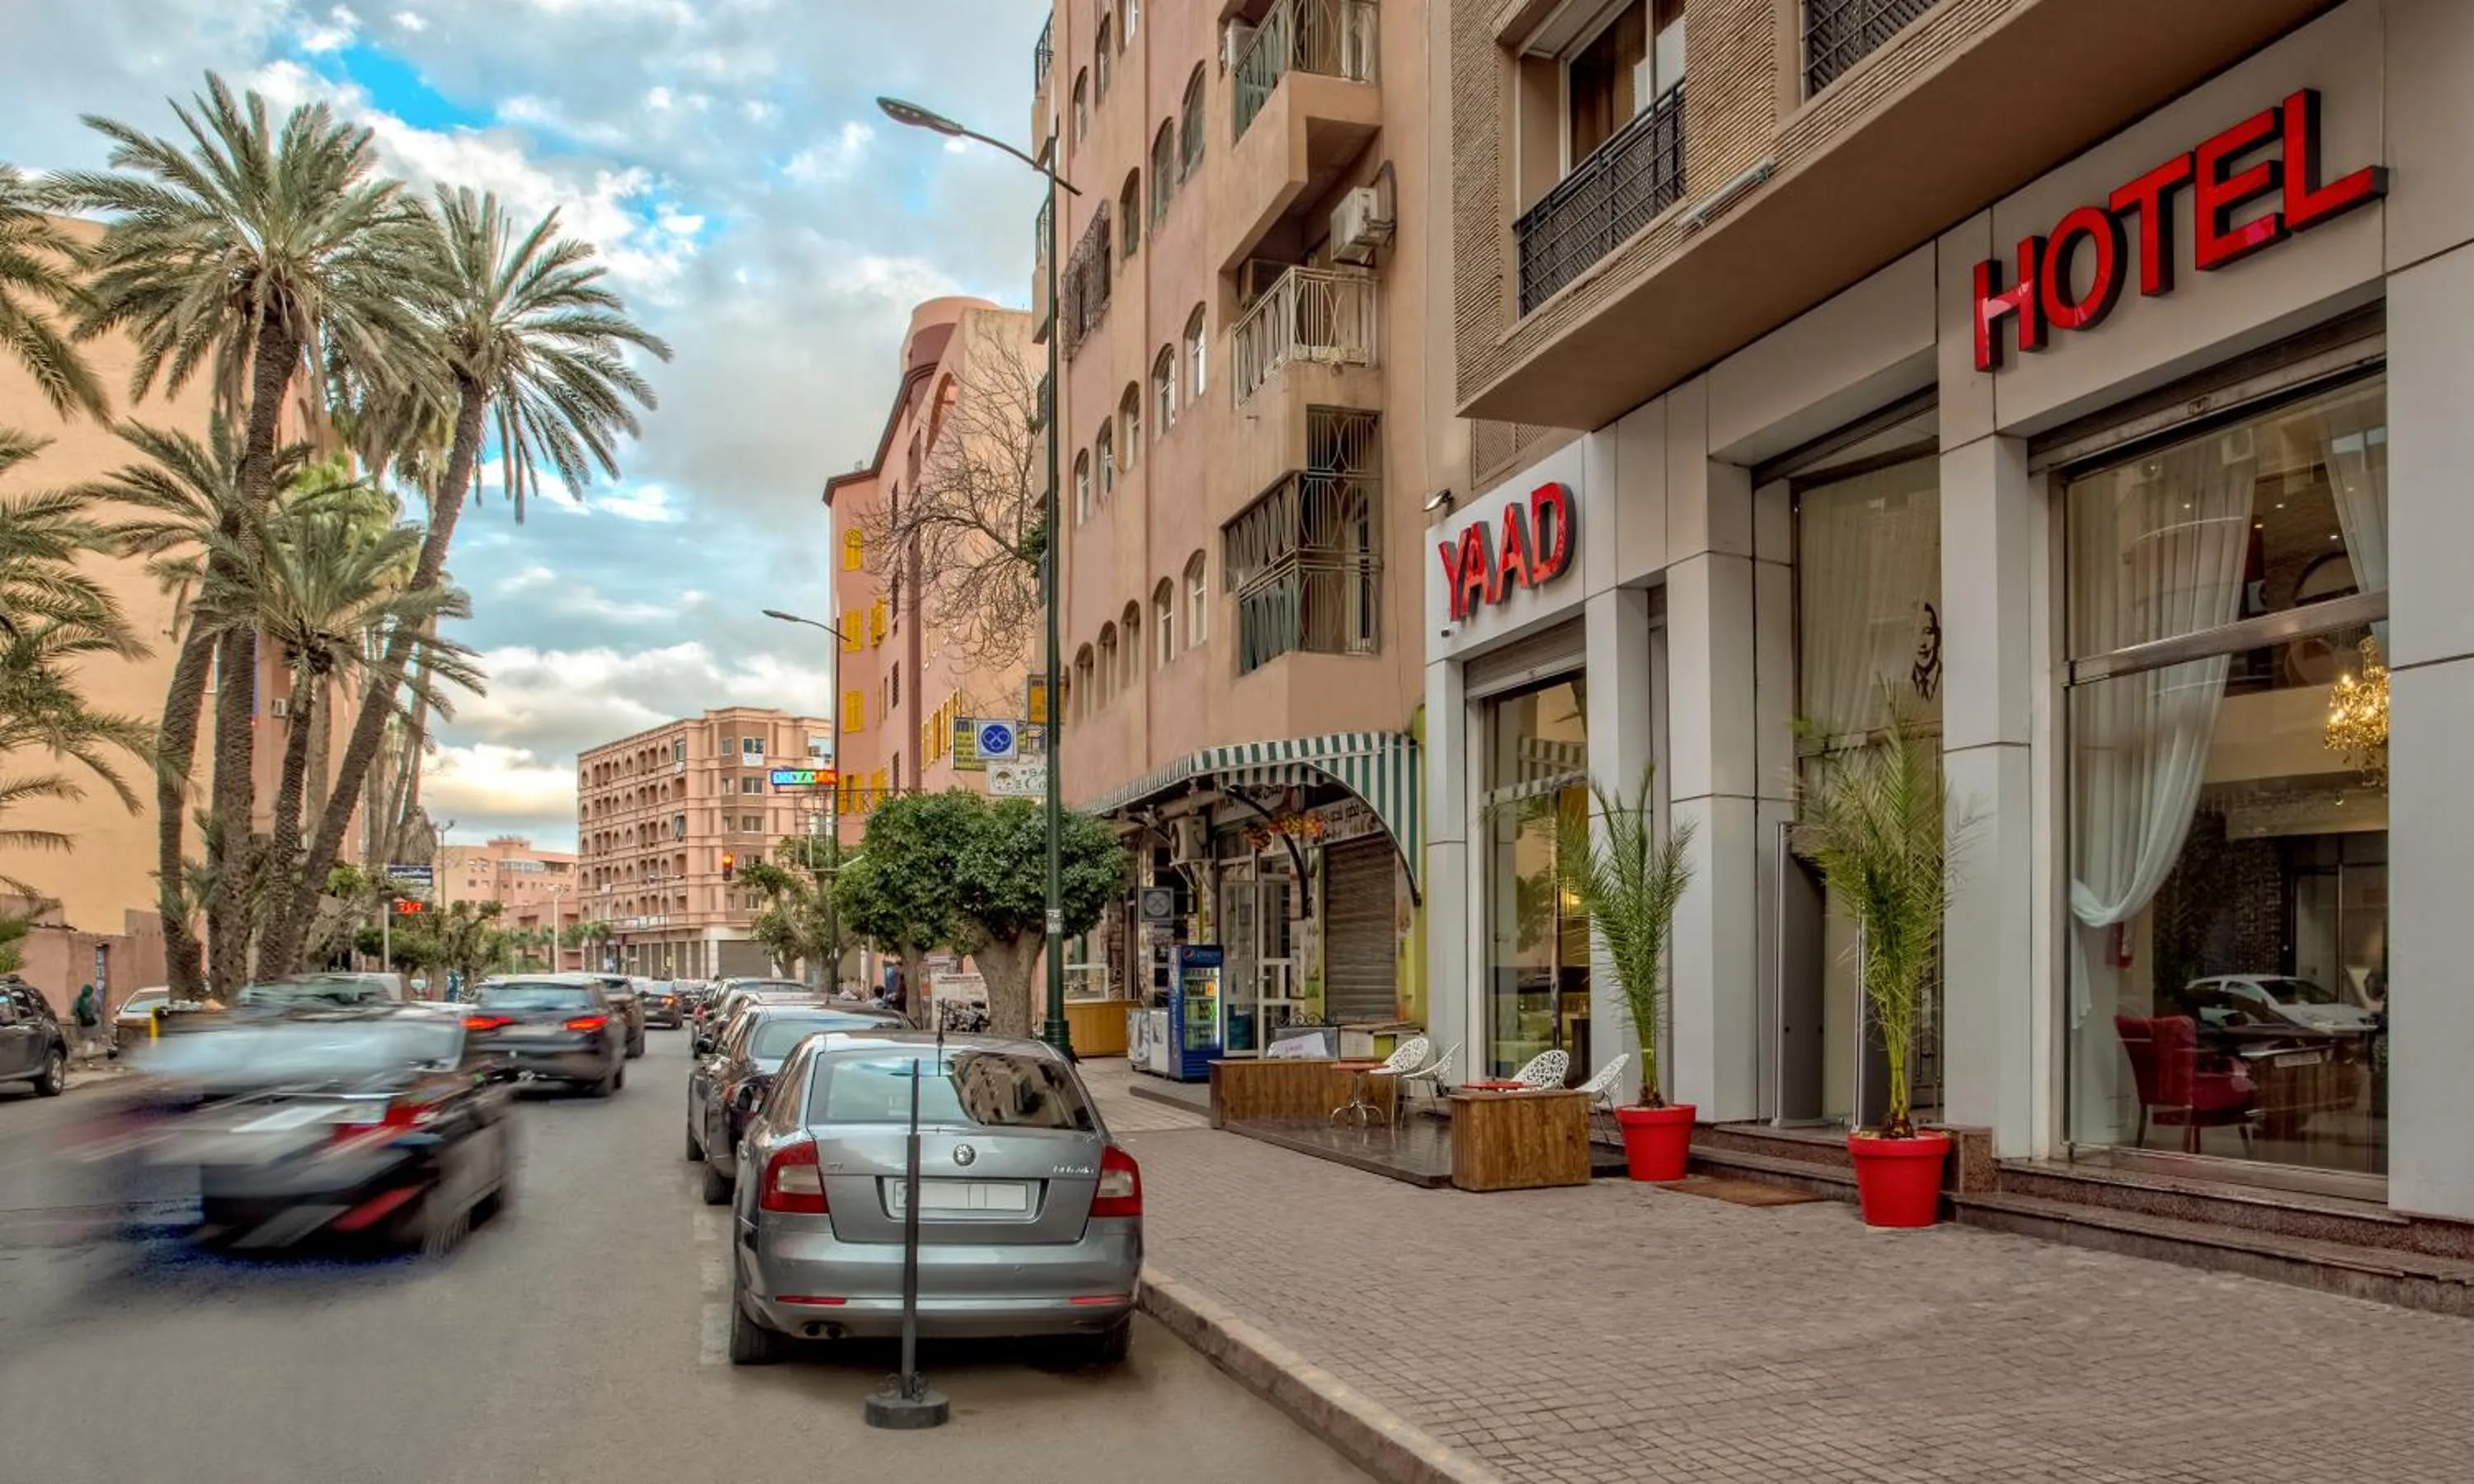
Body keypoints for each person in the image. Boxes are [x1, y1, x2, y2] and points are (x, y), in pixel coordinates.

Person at [71, 983, 104, 1064]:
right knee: (92, 1040)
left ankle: (85, 1054)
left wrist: (80, 1014)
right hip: (93, 1023)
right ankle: (88, 1055)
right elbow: (100, 1011)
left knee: (84, 1039)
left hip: (81, 1023)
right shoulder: (96, 1000)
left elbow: (73, 1012)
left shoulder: (77, 1000)